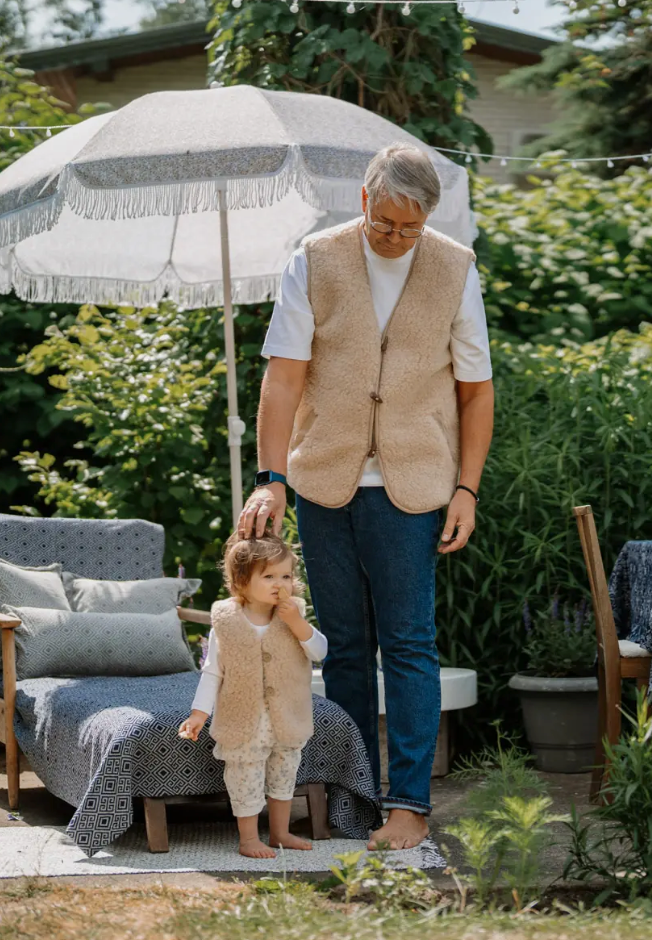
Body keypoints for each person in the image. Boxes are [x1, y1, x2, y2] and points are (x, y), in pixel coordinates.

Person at [237, 142, 495, 850]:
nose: (395, 237)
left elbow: (476, 393)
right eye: (385, 223)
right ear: (364, 200)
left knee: (409, 644)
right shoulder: (314, 260)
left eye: (409, 227)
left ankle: (409, 804)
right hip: (323, 480)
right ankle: (354, 799)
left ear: (428, 219)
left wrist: (466, 488)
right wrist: (272, 479)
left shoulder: (454, 268)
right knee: (345, 647)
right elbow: (283, 379)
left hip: (412, 487)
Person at [179, 534, 329, 859]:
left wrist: (297, 623)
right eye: (269, 576)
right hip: (244, 718)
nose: (280, 584)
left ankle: (280, 832)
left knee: (284, 773)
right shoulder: (227, 622)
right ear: (242, 581)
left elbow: (320, 652)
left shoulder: (293, 615)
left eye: (286, 576)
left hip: (286, 718)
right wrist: (198, 714)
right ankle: (248, 839)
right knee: (244, 775)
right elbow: (212, 672)